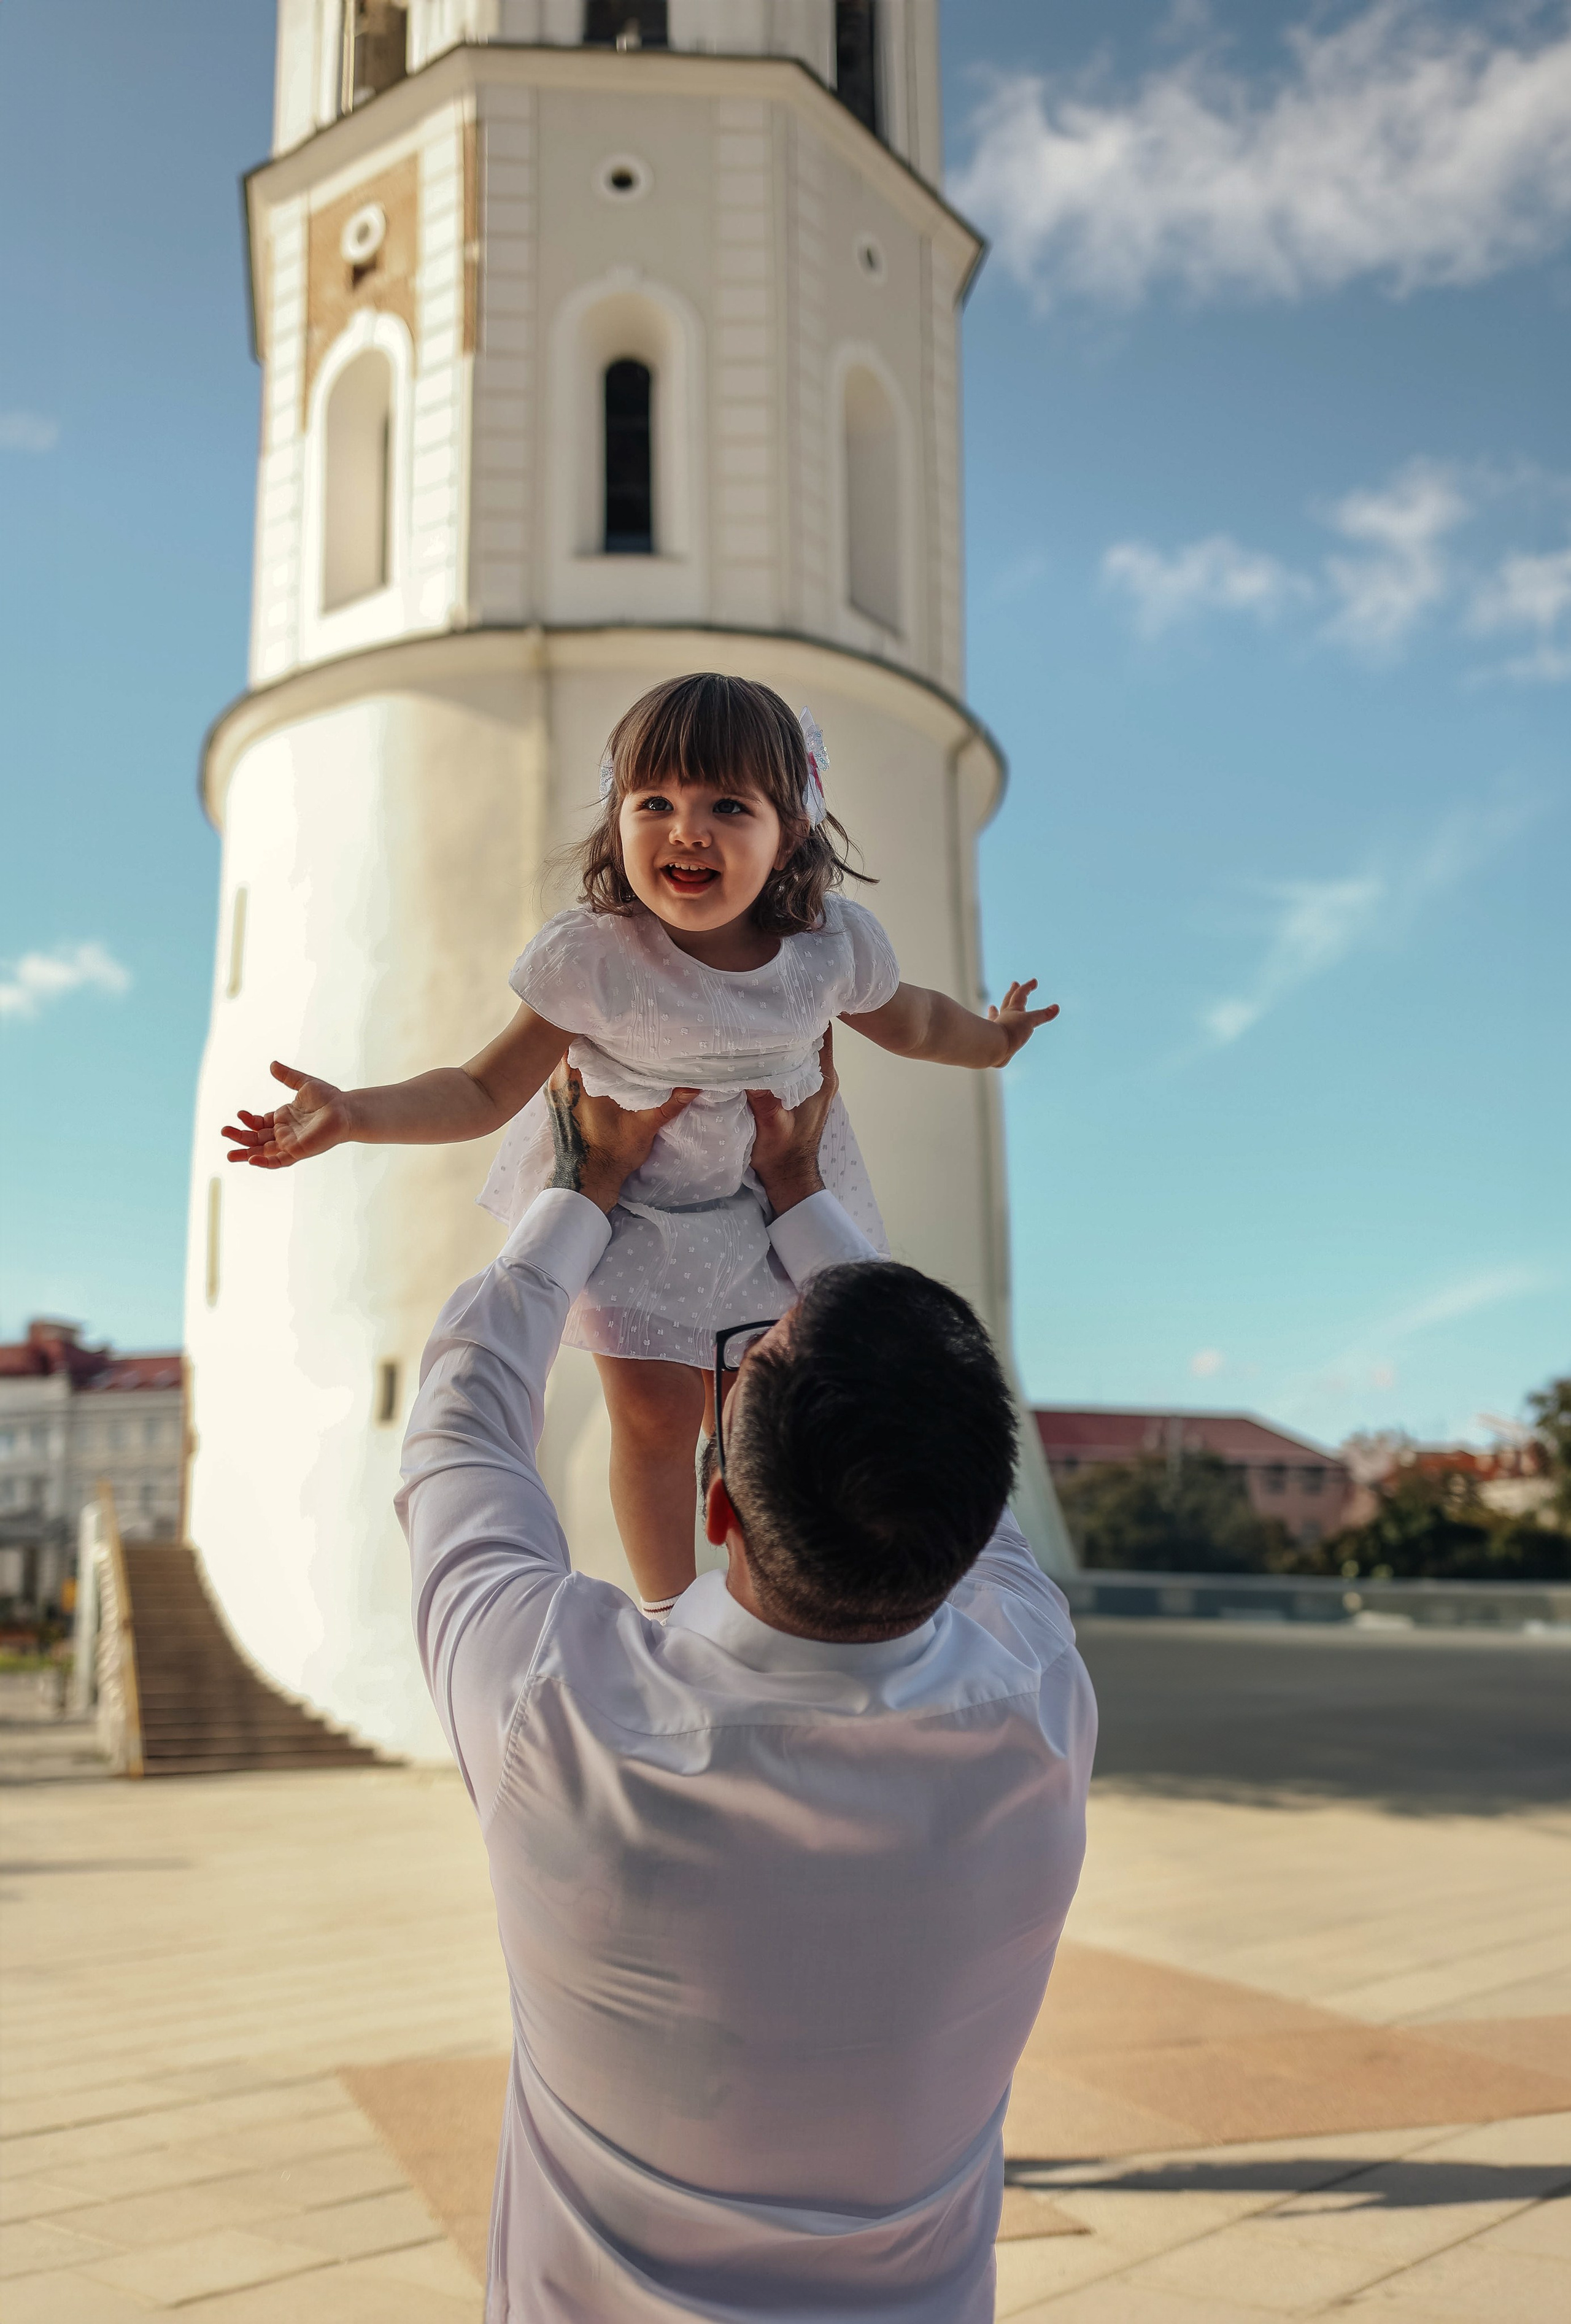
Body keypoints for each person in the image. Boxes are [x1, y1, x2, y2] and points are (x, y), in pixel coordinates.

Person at [395, 1028, 1097, 2323]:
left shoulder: (559, 1711)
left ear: (714, 1507)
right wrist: (803, 1195)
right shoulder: (1035, 1699)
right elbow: (460, 1435)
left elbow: (454, 1417)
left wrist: (584, 1191)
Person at [223, 673, 1059, 1617]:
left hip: (770, 1214)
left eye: (727, 806)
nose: (685, 829)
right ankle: (668, 1613)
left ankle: (757, 1610)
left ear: (792, 831)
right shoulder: (596, 958)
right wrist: (355, 1111)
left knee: (760, 1426)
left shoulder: (826, 951)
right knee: (653, 1421)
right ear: (616, 823)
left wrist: (992, 1043)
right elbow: (483, 1087)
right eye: (653, 801)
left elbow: (913, 1023)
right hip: (631, 1220)